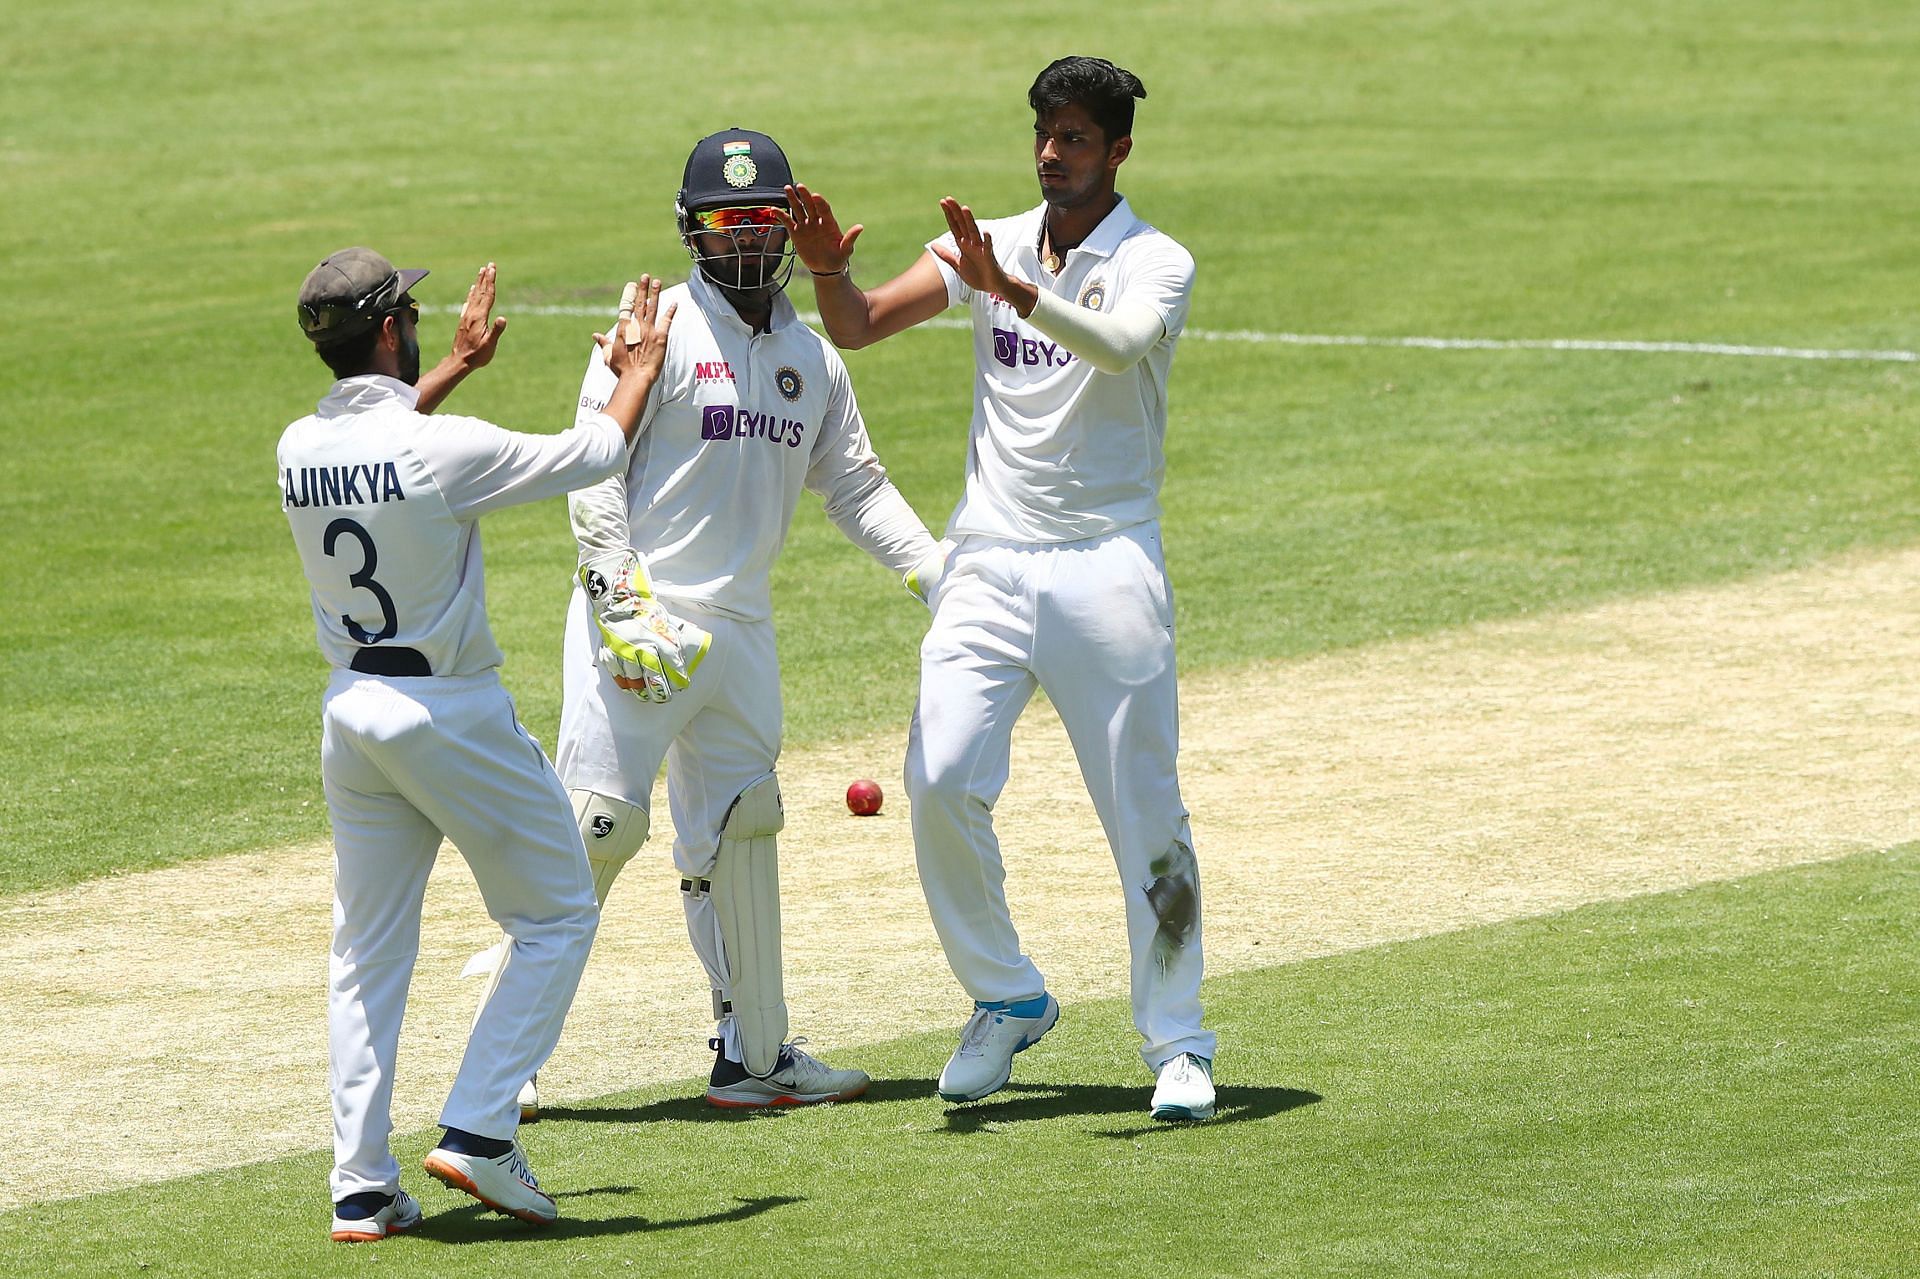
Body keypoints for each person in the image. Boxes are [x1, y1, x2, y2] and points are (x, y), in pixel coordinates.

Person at [779, 56, 1218, 1120]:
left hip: (1106, 562)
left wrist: (1013, 291)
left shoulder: (1155, 259)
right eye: (1044, 135)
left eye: (1075, 138)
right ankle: (1007, 995)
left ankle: (1179, 1042)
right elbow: (859, 326)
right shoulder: (990, 241)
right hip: (988, 559)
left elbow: (1114, 347)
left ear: (1118, 150)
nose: (1053, 154)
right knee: (937, 781)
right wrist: (830, 272)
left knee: (1144, 810)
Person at [467, 127, 941, 1112]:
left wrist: (936, 573)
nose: (748, 242)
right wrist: (617, 597)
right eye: (728, 223)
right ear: (691, 231)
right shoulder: (653, 332)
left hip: (739, 629)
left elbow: (856, 488)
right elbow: (591, 467)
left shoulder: (812, 360)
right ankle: (501, 1073)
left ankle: (754, 1055)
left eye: (763, 221)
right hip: (637, 624)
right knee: (596, 828)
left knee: (743, 827)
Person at [281, 247, 677, 1240]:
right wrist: (637, 371)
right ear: (386, 332)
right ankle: (482, 1126)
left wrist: (448, 369)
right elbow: (592, 454)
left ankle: (363, 1185)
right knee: (555, 912)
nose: (419, 323)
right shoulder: (438, 448)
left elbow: (388, 441)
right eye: (409, 315)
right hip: (448, 711)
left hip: (353, 715)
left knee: (365, 957)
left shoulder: (296, 446)